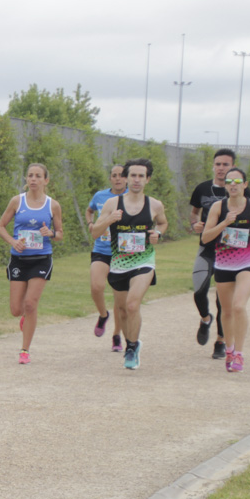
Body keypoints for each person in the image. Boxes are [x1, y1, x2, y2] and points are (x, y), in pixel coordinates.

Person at [90, 158, 168, 370]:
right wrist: (108, 220)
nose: (136, 180)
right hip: (119, 263)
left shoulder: (155, 204)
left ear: (147, 179)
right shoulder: (112, 204)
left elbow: (162, 221)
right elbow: (95, 232)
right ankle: (130, 342)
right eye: (132, 175)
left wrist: (158, 233)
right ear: (126, 178)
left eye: (141, 176)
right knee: (123, 310)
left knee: (133, 304)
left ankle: (132, 347)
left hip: (144, 261)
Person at [200, 167, 250, 372]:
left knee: (238, 306)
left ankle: (240, 355)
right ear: (225, 186)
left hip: (248, 262)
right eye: (229, 182)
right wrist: (224, 224)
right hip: (224, 264)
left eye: (237, 182)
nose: (233, 186)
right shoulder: (219, 207)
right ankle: (229, 349)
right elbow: (206, 237)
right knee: (226, 311)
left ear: (245, 185)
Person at [0, 163, 63, 364]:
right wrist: (13, 241)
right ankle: (25, 317)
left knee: (31, 303)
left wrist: (51, 233)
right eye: (30, 175)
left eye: (38, 176)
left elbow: (59, 234)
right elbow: (0, 226)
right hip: (18, 259)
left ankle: (24, 350)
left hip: (41, 259)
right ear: (26, 179)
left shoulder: (53, 205)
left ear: (45, 180)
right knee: (16, 309)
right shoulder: (17, 201)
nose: (33, 179)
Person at [188, 149, 250, 360]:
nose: (221, 168)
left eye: (226, 165)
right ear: (213, 166)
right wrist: (194, 224)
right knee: (199, 289)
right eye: (218, 164)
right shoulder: (202, 188)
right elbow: (194, 212)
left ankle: (220, 341)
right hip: (207, 247)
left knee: (223, 300)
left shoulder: (243, 191)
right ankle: (205, 318)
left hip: (230, 252)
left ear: (233, 167)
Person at [85, 164, 127, 352]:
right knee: (96, 286)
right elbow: (89, 210)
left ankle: (117, 335)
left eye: (121, 175)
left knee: (120, 301)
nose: (118, 178)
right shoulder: (100, 196)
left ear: (126, 178)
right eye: (114, 175)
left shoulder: (132, 199)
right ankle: (103, 315)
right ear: (110, 178)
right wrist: (91, 223)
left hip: (122, 253)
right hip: (101, 248)